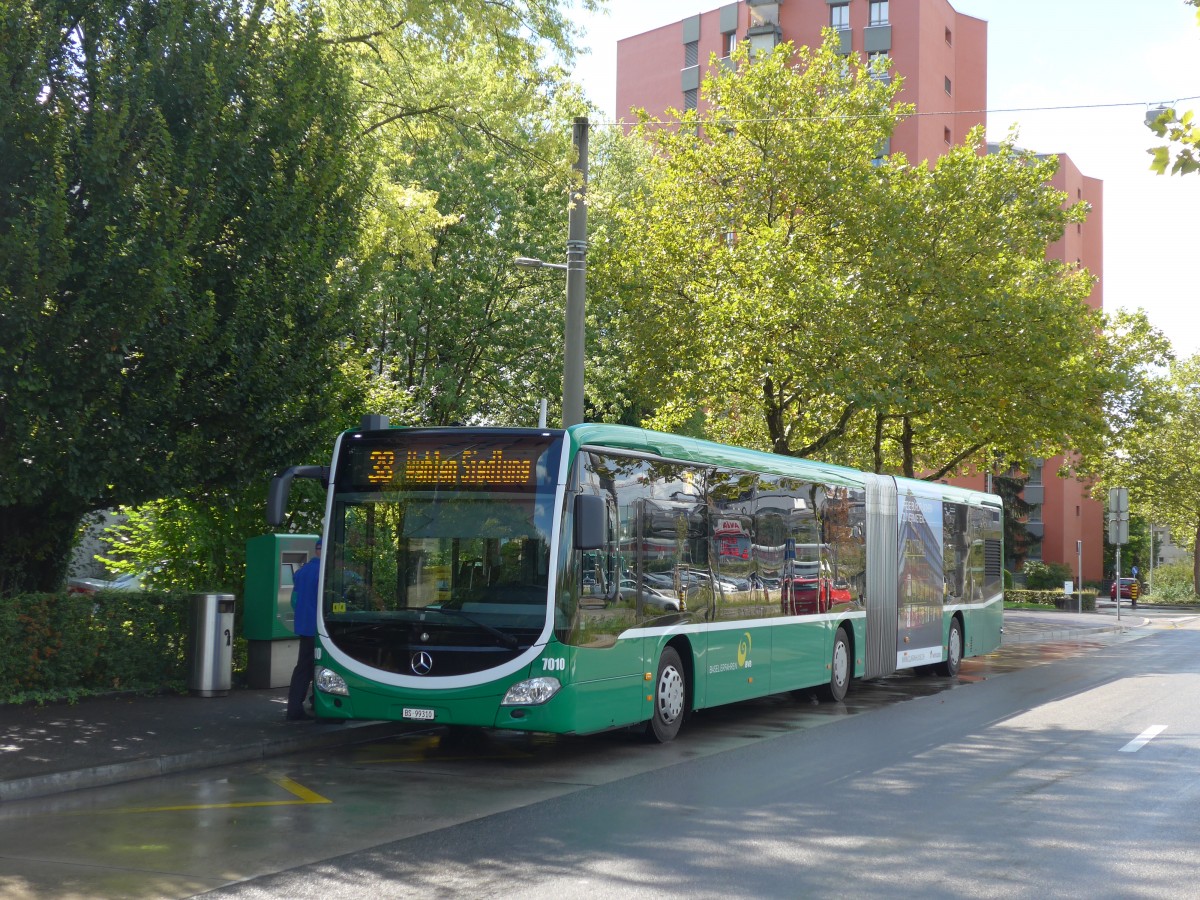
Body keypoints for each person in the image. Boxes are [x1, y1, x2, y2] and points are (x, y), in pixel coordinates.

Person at [287, 537, 321, 721]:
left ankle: (294, 706)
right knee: (322, 667)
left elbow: (294, 601)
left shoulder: (302, 572)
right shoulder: (325, 573)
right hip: (320, 629)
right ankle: (318, 704)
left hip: (304, 627)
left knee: (303, 667)